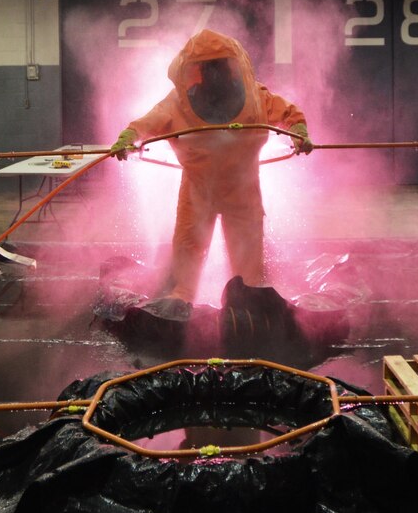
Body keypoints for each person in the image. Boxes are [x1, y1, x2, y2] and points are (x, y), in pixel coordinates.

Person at [110, 29, 310, 315]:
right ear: (196, 71)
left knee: (248, 265)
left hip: (241, 191)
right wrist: (128, 138)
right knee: (189, 250)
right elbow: (146, 123)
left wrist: (299, 132)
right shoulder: (178, 102)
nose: (215, 74)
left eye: (220, 65)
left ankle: (250, 306)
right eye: (209, 67)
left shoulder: (254, 96)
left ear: (232, 65)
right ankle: (180, 305)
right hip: (199, 191)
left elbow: (288, 113)